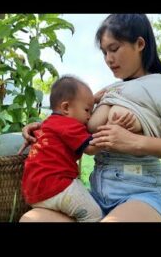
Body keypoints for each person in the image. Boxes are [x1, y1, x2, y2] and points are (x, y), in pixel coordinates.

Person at [20, 14, 161, 222]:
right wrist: (44, 127)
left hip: (143, 194)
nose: (108, 59)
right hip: (95, 198)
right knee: (31, 219)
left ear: (139, 44)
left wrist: (135, 142)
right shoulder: (108, 91)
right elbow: (71, 120)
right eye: (104, 52)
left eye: (114, 49)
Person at [20, 75, 104, 222]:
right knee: (94, 214)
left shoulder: (48, 123)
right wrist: (109, 133)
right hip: (57, 186)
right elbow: (90, 149)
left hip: (34, 192)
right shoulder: (69, 125)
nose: (90, 117)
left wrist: (89, 102)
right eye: (87, 110)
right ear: (65, 107)